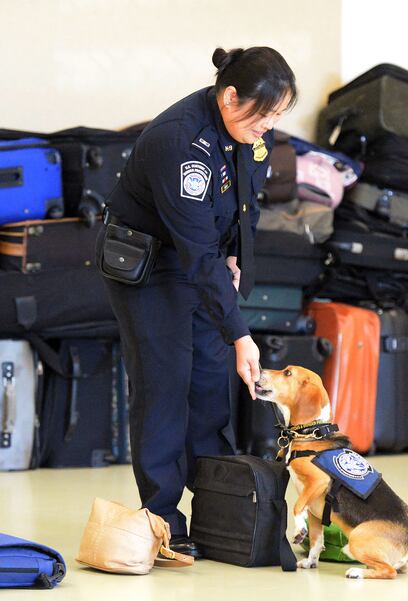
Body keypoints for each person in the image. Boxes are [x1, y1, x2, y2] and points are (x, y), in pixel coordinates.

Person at [97, 46, 297, 557]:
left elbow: (246, 205)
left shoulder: (249, 130)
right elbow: (194, 247)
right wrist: (241, 333)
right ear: (230, 97)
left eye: (278, 116)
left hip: (201, 260)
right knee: (165, 385)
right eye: (265, 114)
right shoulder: (178, 142)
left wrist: (236, 259)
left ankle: (219, 507)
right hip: (148, 266)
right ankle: (164, 518)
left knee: (209, 386)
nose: (269, 127)